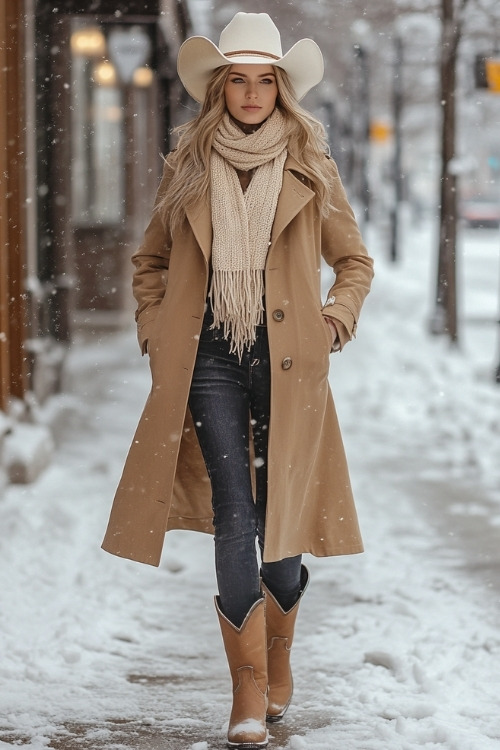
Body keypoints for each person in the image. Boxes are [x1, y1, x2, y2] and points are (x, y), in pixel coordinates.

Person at [102, 11, 374, 750]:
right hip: (210, 355)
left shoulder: (311, 166)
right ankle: (247, 690)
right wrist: (157, 334)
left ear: (280, 89)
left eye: (263, 81)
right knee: (235, 510)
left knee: (280, 509)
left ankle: (278, 657)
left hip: (290, 358)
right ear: (220, 87)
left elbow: (354, 263)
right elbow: (150, 263)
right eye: (238, 80)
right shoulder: (186, 165)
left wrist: (334, 321)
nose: (251, 94)